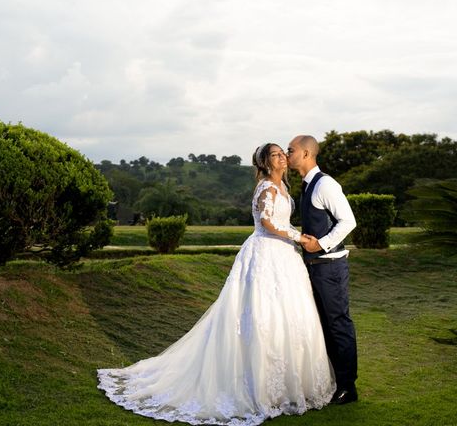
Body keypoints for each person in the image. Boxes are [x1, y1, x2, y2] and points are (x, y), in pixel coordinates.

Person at [97, 143, 335, 426]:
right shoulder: (266, 188)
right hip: (265, 254)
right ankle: (255, 385)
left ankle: (284, 385)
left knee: (287, 315)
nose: (282, 156)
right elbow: (269, 223)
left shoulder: (283, 187)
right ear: (265, 164)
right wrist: (298, 237)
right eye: (275, 154)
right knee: (258, 314)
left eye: (283, 152)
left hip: (284, 258)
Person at [287, 135, 358, 405]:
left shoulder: (325, 184)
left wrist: (322, 244)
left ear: (306, 154)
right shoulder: (306, 186)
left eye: (290, 150)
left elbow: (348, 221)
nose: (287, 153)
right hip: (313, 268)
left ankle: (348, 387)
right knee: (324, 326)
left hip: (330, 267)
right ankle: (332, 381)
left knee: (338, 324)